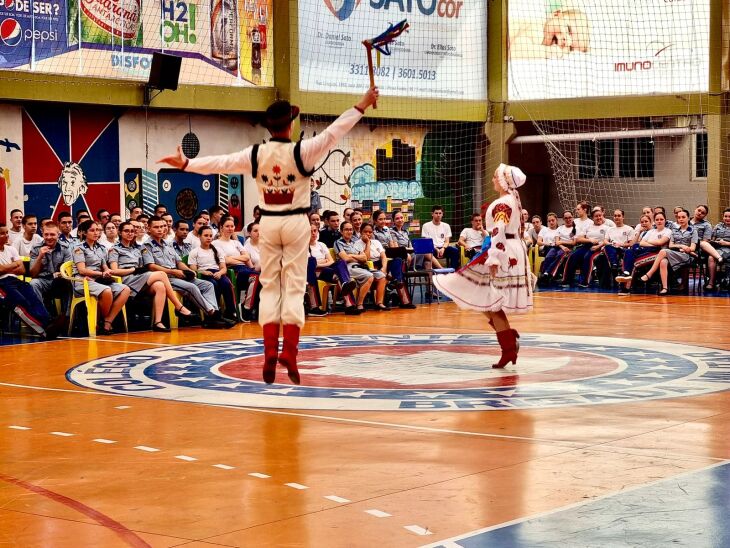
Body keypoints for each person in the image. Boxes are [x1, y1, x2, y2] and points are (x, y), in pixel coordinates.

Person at [159, 86, 380, 385]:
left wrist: (186, 164)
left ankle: (268, 355)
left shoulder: (256, 154)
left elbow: (221, 163)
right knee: (292, 290)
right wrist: (362, 104)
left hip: (269, 224)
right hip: (296, 224)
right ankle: (290, 351)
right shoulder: (302, 150)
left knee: (270, 290)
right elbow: (333, 133)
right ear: (291, 124)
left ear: (269, 126)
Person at [434, 164, 534, 368]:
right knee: (483, 295)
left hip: (503, 250)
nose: (492, 180)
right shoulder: (512, 200)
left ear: (504, 181)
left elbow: (498, 230)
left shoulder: (503, 204)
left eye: (495, 177)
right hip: (510, 248)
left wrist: (495, 258)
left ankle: (508, 345)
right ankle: (507, 337)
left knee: (491, 300)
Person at [144, 217, 233, 329]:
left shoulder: (168, 244)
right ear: (149, 229)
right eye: (156, 227)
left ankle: (212, 316)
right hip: (165, 278)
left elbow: (179, 262)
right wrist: (174, 271)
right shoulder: (146, 246)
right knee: (191, 287)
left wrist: (189, 271)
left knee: (208, 285)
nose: (160, 229)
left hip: (178, 275)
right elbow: (151, 266)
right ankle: (213, 314)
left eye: (162, 226)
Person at [109, 222, 191, 332]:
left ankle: (157, 322)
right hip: (126, 279)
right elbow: (114, 271)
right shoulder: (115, 249)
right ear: (120, 232)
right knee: (161, 274)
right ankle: (178, 305)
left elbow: (142, 268)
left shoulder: (136, 249)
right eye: (126, 231)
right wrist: (133, 270)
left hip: (140, 278)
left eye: (132, 231)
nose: (130, 233)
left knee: (160, 286)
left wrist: (139, 270)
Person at [0, 223, 61, 339]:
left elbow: (22, 269)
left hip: (14, 280)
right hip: (1, 284)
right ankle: (44, 331)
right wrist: (14, 265)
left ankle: (49, 322)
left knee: (32, 296)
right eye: (2, 233)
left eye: (7, 232)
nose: (6, 235)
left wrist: (7, 268)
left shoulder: (11, 249)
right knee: (19, 301)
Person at [71, 220, 131, 335]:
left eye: (98, 230)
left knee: (125, 289)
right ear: (84, 233)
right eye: (92, 230)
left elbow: (104, 266)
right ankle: (101, 321)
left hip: (99, 281)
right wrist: (101, 274)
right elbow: (82, 270)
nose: (96, 233)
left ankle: (107, 322)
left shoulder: (101, 248)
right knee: (107, 291)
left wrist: (107, 272)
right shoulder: (78, 248)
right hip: (83, 281)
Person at [188, 226, 237, 321]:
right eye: (206, 235)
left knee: (226, 284)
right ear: (199, 236)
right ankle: (215, 311)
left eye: (210, 236)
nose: (209, 238)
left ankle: (231, 311)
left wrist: (220, 273)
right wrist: (203, 271)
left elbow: (224, 268)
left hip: (217, 273)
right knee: (213, 284)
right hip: (204, 275)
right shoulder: (195, 252)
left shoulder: (217, 250)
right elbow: (193, 269)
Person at [29, 221, 72, 315]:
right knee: (33, 283)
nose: (49, 237)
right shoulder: (36, 248)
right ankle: (43, 316)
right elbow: (33, 274)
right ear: (42, 234)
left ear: (58, 234)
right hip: (43, 280)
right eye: (46, 234)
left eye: (52, 234)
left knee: (70, 283)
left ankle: (66, 317)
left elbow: (68, 272)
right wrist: (40, 256)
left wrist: (60, 274)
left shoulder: (65, 248)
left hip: (60, 281)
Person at [335, 221, 374, 314]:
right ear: (341, 231)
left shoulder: (354, 243)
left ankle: (359, 304)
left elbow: (365, 258)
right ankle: (356, 304)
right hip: (346, 268)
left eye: (351, 229)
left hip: (359, 267)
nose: (349, 232)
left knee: (371, 276)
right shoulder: (338, 243)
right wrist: (356, 257)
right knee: (370, 276)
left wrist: (351, 256)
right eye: (346, 230)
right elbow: (344, 258)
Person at [706, 208, 730, 290]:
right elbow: (712, 238)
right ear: (723, 217)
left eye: (729, 216)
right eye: (725, 216)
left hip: (728, 248)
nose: (727, 218)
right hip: (718, 248)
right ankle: (711, 282)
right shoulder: (718, 226)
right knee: (710, 257)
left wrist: (726, 243)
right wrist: (714, 242)